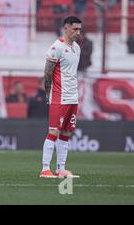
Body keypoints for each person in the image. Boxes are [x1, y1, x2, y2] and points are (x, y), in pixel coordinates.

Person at [40, 16, 82, 178]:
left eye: (79, 29)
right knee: (53, 131)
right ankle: (45, 169)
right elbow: (47, 73)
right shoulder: (56, 47)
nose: (78, 32)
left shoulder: (76, 48)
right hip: (59, 96)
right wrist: (48, 93)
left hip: (73, 96)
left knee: (66, 132)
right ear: (66, 28)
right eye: (75, 29)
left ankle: (60, 169)